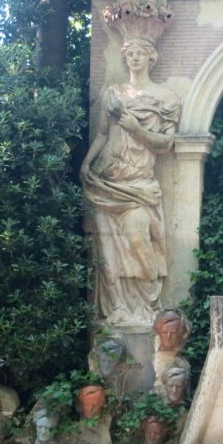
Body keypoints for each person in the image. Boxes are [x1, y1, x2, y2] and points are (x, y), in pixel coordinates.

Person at [81, 36, 181, 328]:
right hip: (105, 179)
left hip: (139, 185)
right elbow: (102, 134)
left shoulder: (165, 98)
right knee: (107, 251)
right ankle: (118, 309)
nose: (134, 59)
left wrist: (137, 129)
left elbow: (165, 144)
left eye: (140, 53)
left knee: (139, 238)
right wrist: (87, 162)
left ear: (151, 58)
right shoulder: (114, 94)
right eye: (130, 54)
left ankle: (150, 305)